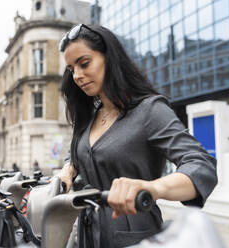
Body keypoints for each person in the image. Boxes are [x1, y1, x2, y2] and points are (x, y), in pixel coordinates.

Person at [57, 24, 218, 248]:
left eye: (84, 64)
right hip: (88, 235)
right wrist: (69, 168)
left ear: (109, 59)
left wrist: (153, 188)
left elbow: (201, 164)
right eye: (71, 69)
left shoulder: (150, 110)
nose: (77, 75)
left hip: (136, 238)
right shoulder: (90, 116)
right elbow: (79, 154)